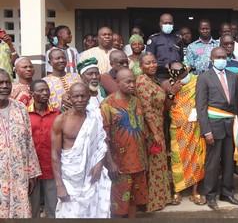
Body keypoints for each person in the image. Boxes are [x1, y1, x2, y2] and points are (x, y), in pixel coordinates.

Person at [51, 83, 111, 218]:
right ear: (70, 98)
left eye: (83, 96)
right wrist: (59, 185)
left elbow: (101, 143)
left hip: (92, 177)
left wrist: (100, 163)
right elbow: (55, 154)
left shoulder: (95, 117)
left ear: (89, 97)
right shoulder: (61, 120)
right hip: (70, 179)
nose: (79, 100)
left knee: (95, 213)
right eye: (76, 96)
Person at [196, 47, 238, 210]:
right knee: (213, 163)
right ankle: (210, 195)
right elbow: (201, 107)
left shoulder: (233, 76)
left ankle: (227, 193)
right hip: (213, 127)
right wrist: (206, 131)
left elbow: (235, 103)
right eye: (218, 57)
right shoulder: (204, 78)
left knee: (229, 161)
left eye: (224, 56)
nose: (222, 59)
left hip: (230, 125)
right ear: (211, 58)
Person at [100, 68, 148, 218]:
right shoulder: (108, 104)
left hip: (139, 162)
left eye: (133, 81)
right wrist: (110, 162)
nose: (132, 85)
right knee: (119, 203)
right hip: (119, 165)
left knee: (135, 200)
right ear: (117, 82)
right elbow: (103, 137)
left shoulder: (137, 101)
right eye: (128, 82)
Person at [163, 62, 207, 205]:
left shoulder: (197, 80)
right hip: (177, 127)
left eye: (183, 74)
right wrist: (172, 92)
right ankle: (177, 190)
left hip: (195, 126)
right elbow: (165, 107)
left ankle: (195, 192)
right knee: (178, 159)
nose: (182, 77)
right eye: (178, 76)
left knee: (196, 158)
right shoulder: (166, 84)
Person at [0, 69, 41, 218]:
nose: (4, 86)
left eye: (7, 83)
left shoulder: (20, 108)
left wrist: (32, 172)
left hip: (19, 174)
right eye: (0, 83)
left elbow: (28, 141)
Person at [134, 53, 174, 209]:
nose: (152, 65)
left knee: (160, 162)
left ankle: (162, 197)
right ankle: (153, 201)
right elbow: (146, 109)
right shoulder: (142, 82)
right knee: (154, 162)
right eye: (148, 63)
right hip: (150, 128)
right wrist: (155, 133)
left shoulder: (153, 80)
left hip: (158, 124)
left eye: (154, 62)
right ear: (141, 66)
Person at [28, 80, 59, 218]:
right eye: (40, 90)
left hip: (51, 167)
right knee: (32, 208)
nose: (45, 93)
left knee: (53, 207)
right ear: (31, 94)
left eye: (46, 90)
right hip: (31, 170)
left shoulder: (57, 114)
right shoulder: (24, 113)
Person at [146, 13, 183, 80]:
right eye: (165, 23)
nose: (168, 25)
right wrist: (166, 65)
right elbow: (149, 59)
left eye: (170, 23)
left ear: (173, 24)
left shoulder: (178, 39)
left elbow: (181, 57)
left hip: (176, 75)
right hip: (160, 75)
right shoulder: (154, 39)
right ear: (160, 24)